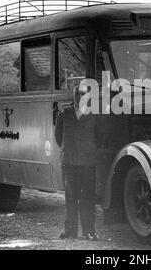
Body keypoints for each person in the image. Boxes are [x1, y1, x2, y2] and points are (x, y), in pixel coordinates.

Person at [54, 86, 98, 240]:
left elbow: (99, 137)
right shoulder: (64, 114)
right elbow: (58, 136)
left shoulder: (93, 115)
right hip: (69, 163)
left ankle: (89, 231)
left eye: (83, 94)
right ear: (73, 96)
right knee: (70, 197)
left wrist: (88, 152)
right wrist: (68, 151)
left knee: (87, 197)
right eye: (77, 94)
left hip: (87, 163)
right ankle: (70, 231)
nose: (80, 97)